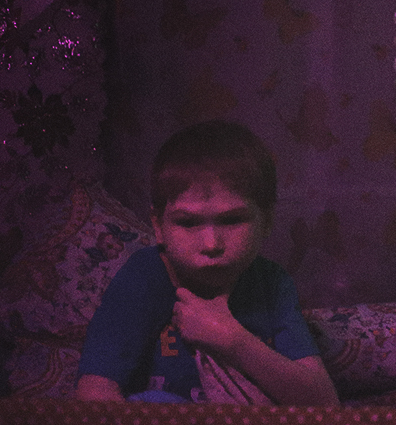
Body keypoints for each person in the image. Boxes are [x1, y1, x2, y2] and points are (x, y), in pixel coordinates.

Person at [76, 120, 339, 405]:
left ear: (266, 221)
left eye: (232, 220)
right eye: (188, 223)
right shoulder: (144, 277)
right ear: (159, 225)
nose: (211, 244)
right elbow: (94, 393)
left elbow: (323, 403)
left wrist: (233, 341)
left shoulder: (271, 282)